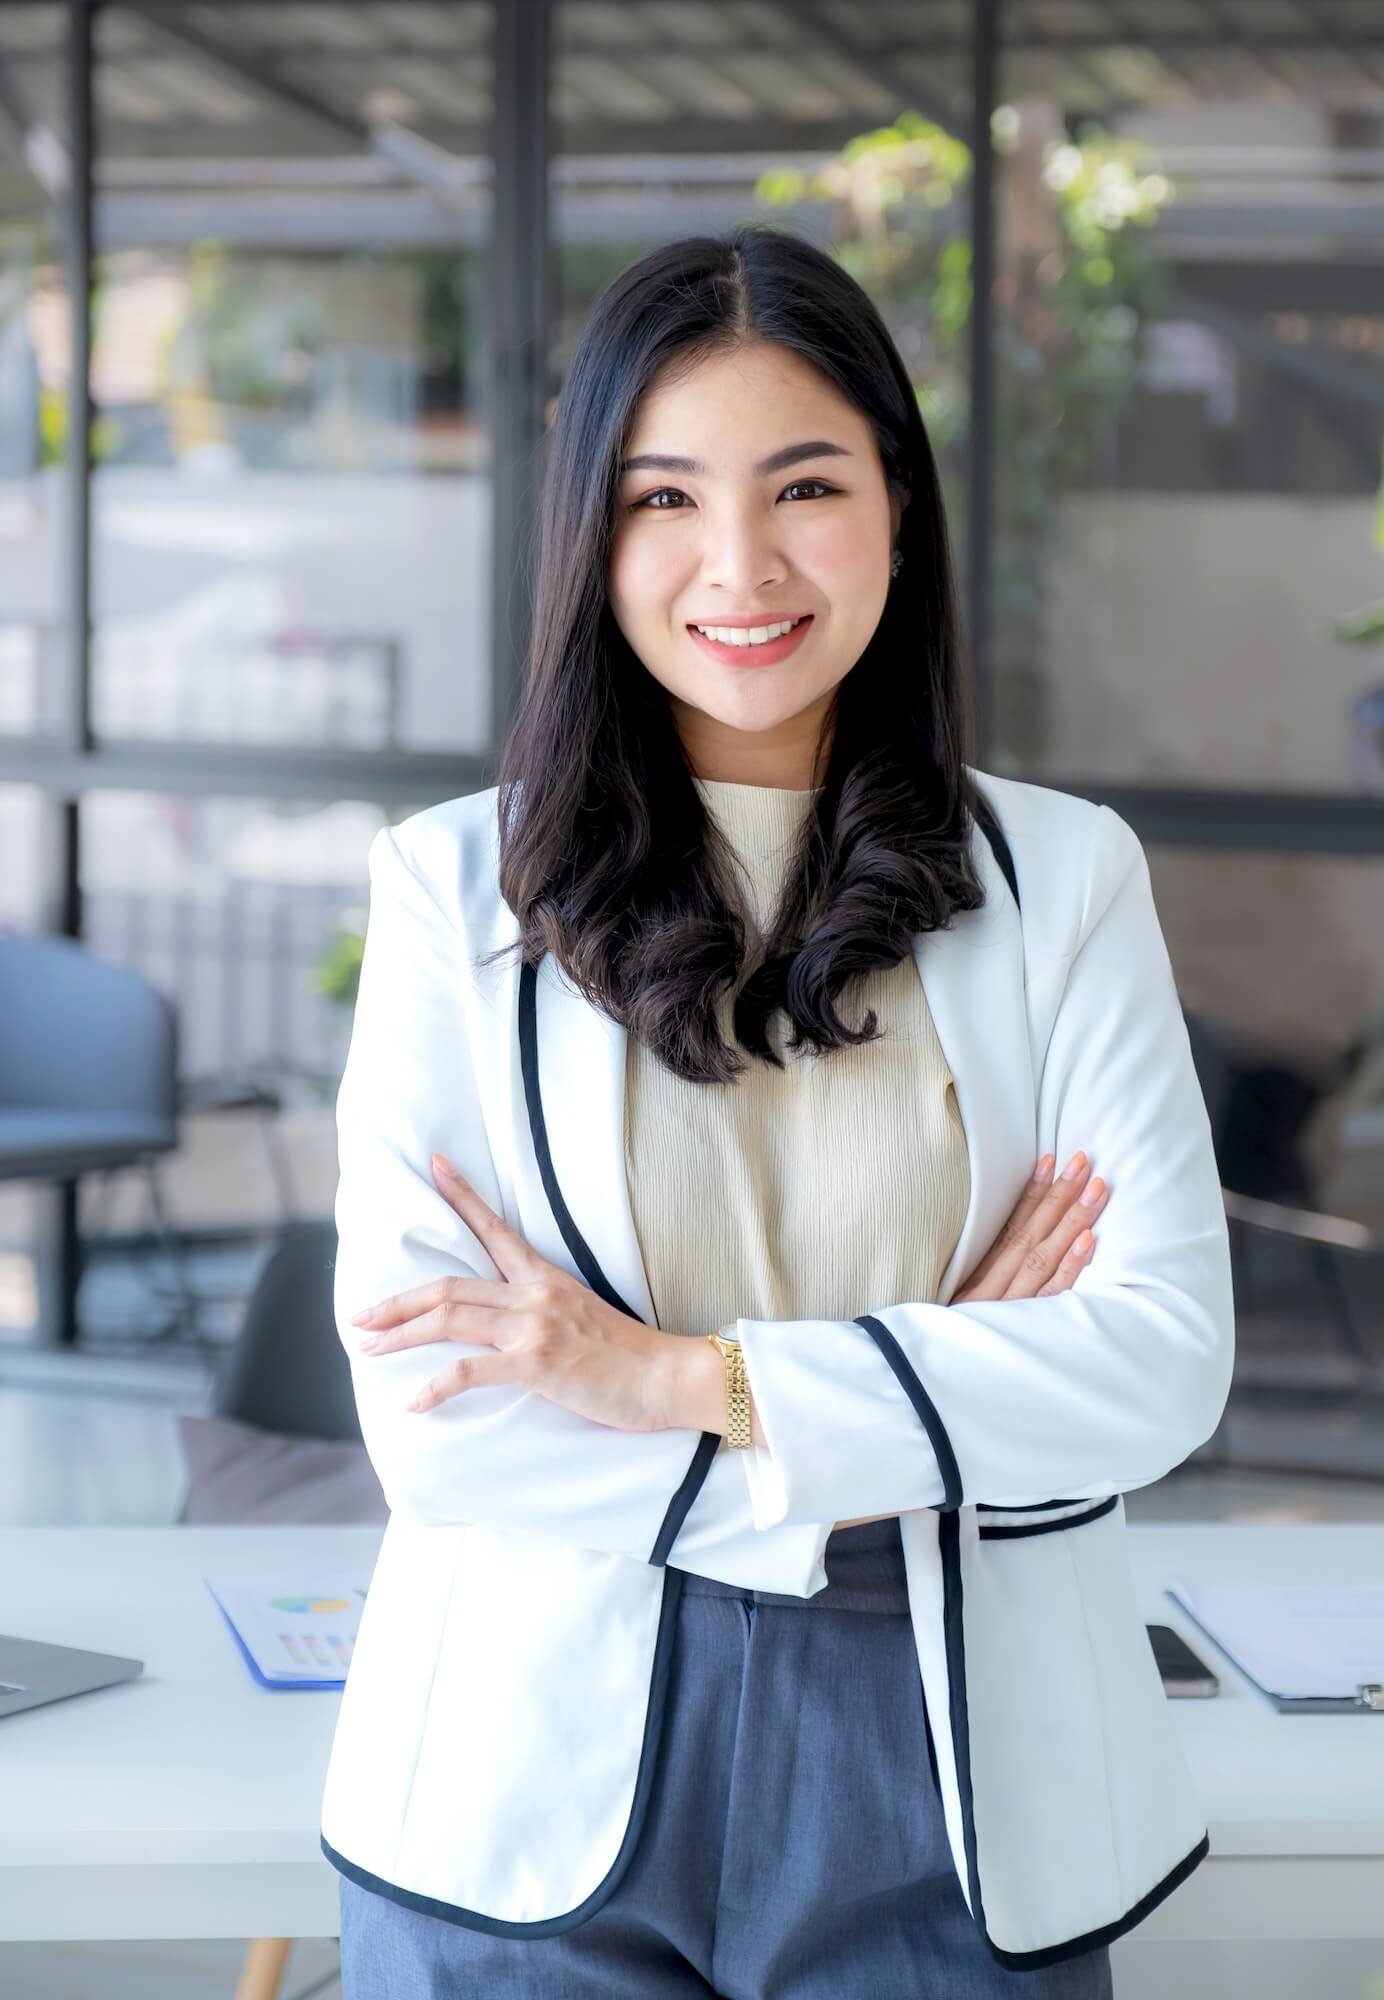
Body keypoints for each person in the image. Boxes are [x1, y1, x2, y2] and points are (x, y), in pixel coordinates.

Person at [320, 224, 1234, 1997]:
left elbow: (1162, 1359)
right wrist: (927, 1400)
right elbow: (444, 1425)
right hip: (523, 1779)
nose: (738, 564)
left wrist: (680, 1378)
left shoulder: (1061, 880)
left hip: (958, 1785)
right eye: (663, 499)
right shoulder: (456, 888)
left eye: (803, 484)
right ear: (593, 536)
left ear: (897, 500)